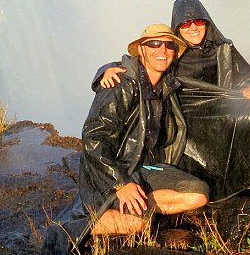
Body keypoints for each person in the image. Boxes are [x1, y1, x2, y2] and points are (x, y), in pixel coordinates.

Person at [96, 0, 250, 205]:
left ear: (206, 22)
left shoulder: (223, 48)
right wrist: (105, 71)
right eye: (185, 24)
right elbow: (134, 63)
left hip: (219, 111)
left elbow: (247, 77)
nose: (192, 27)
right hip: (188, 118)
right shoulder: (171, 50)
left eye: (197, 21)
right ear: (177, 27)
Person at [80, 24, 210, 235]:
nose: (162, 50)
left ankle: (136, 210)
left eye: (169, 45)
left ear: (174, 53)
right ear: (142, 50)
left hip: (149, 167)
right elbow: (94, 138)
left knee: (199, 195)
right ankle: (79, 225)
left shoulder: (168, 85)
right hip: (118, 169)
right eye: (154, 44)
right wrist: (121, 184)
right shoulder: (121, 83)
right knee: (136, 225)